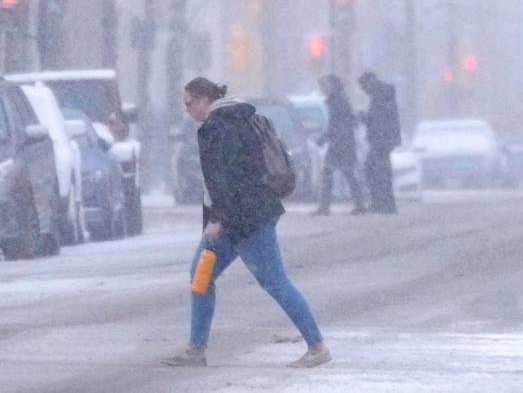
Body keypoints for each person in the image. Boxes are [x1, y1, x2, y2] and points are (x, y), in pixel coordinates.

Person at [162, 78, 331, 368]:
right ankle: (196, 349)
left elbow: (225, 179)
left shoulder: (218, 127)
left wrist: (217, 219)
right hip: (240, 216)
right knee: (200, 276)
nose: (187, 110)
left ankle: (317, 346)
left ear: (203, 99)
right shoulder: (241, 117)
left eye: (188, 103)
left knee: (276, 282)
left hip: (247, 220)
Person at [314, 74, 365, 216]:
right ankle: (358, 204)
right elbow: (343, 123)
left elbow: (338, 125)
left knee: (332, 173)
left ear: (332, 86)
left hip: (341, 144)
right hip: (342, 143)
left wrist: (325, 138)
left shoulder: (338, 101)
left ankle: (325, 207)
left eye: (324, 86)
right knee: (346, 173)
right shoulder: (337, 100)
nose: (322, 89)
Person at [358, 72, 401, 214]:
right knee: (380, 172)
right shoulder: (383, 92)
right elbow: (382, 117)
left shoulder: (378, 94)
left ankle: (382, 203)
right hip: (383, 140)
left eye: (363, 88)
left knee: (374, 171)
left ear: (368, 83)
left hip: (380, 141)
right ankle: (385, 203)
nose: (364, 91)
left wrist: (364, 118)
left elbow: (378, 119)